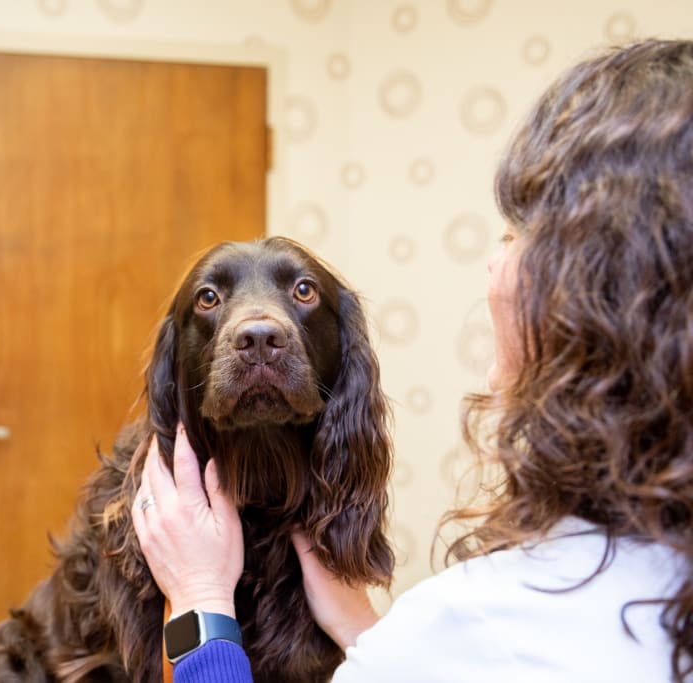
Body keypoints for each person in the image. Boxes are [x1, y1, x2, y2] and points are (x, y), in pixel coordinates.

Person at [132, 38, 693, 682]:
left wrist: (201, 599)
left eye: (516, 235)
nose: (493, 261)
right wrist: (368, 637)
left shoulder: (479, 628)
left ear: (595, 300)